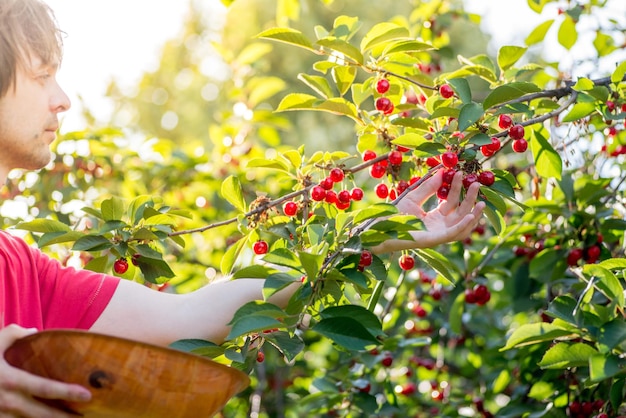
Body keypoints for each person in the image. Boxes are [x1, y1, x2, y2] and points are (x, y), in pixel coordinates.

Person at [0, 0, 486, 416]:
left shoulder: (24, 270)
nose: (62, 99)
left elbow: (191, 316)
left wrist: (373, 231)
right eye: (42, 76)